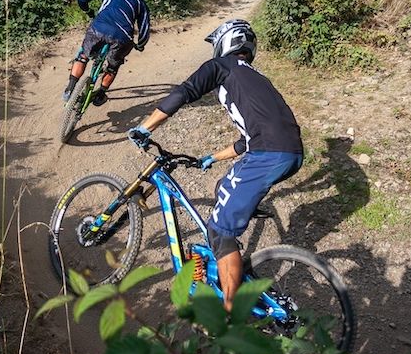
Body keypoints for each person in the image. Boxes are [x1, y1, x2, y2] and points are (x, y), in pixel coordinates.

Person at [127, 19, 303, 312]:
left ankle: (231, 322)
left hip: (268, 154)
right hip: (289, 153)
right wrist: (212, 157)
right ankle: (237, 222)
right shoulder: (257, 78)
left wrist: (145, 128)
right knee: (224, 185)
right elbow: (248, 138)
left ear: (226, 42)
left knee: (220, 231)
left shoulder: (222, 67)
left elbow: (184, 91)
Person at [62, 0, 150, 106]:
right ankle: (101, 94)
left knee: (83, 56)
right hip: (122, 37)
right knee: (113, 66)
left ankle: (70, 88)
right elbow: (144, 29)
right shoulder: (140, 1)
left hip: (99, 28)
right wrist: (140, 45)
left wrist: (88, 11)